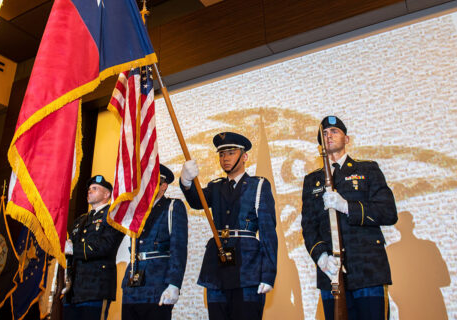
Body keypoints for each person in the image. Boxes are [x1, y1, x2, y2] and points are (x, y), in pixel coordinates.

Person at [301, 116, 398, 320]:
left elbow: (388, 212)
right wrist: (320, 257)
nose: (328, 136)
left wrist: (347, 207)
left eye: (334, 131)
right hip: (331, 273)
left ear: (347, 139)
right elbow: (309, 225)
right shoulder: (312, 180)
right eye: (324, 134)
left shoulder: (367, 169)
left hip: (368, 270)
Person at [180, 132, 278, 320]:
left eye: (231, 153)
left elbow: (268, 233)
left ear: (244, 156)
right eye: (222, 154)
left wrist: (268, 273)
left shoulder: (258, 185)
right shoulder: (216, 186)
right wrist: (186, 181)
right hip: (218, 267)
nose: (225, 158)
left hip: (247, 268)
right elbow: (196, 201)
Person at [121, 164, 188, 320]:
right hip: (133, 283)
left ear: (163, 186)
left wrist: (174, 284)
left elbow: (178, 248)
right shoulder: (137, 211)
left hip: (157, 283)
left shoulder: (172, 207)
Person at [64, 175, 124, 320]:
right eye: (89, 189)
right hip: (73, 290)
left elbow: (105, 246)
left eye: (95, 188)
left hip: (96, 287)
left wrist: (74, 249)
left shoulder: (113, 216)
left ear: (107, 194)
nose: (89, 191)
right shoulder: (80, 220)